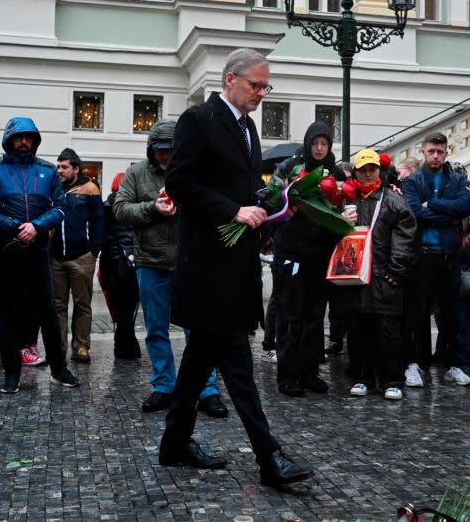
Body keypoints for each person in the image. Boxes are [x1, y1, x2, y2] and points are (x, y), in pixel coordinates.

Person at [159, 48, 313, 488]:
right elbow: (181, 183)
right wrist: (232, 211)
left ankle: (174, 445)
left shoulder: (247, 128)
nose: (262, 94)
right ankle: (269, 459)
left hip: (236, 264)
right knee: (239, 369)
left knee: (197, 364)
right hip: (209, 269)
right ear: (230, 79)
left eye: (266, 87)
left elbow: (245, 190)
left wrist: (274, 207)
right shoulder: (198, 120)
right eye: (256, 85)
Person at [114, 119, 227, 416]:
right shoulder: (137, 173)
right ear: (151, 150)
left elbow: (213, 207)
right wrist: (153, 207)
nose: (165, 156)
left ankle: (207, 389)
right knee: (155, 330)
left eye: (170, 150)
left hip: (189, 263)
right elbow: (120, 209)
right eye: (159, 151)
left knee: (198, 330)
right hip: (150, 263)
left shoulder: (194, 171)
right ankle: (164, 385)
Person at [0, 117, 80, 394]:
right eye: (19, 137)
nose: (24, 142)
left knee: (48, 311)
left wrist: (37, 226)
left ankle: (58, 368)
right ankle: (11, 372)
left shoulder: (46, 170)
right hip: (3, 252)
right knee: (8, 313)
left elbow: (60, 206)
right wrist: (13, 226)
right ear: (9, 139)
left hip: (37, 250)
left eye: (29, 137)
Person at [269, 121, 346, 397]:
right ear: (307, 144)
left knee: (315, 315)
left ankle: (310, 371)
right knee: (290, 314)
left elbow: (344, 202)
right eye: (315, 143)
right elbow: (271, 199)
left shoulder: (335, 172)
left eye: (324, 144)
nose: (319, 148)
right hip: (291, 251)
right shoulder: (290, 167)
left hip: (321, 254)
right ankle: (288, 375)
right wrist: (289, 201)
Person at [335, 149, 417, 400]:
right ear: (356, 172)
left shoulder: (393, 199)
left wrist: (397, 269)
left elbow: (406, 235)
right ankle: (362, 377)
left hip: (385, 277)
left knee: (388, 331)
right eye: (363, 170)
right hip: (356, 278)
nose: (368, 174)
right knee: (359, 331)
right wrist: (340, 220)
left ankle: (393, 379)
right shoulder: (347, 201)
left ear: (379, 171)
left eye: (372, 169)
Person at [401, 132, 470, 386]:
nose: (435, 156)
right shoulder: (412, 181)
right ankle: (417, 364)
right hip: (421, 254)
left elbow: (464, 207)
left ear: (446, 153)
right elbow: (414, 214)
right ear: (423, 151)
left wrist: (430, 203)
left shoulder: (456, 179)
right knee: (417, 311)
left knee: (452, 312)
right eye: (431, 151)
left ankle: (452, 364)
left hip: (448, 255)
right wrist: (446, 213)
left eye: (440, 152)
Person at [431, 161, 470, 381]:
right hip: (442, 258)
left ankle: (463, 353)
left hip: (460, 260)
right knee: (442, 309)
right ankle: (443, 350)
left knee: (463, 311)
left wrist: (460, 249)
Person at [51, 148, 104, 364]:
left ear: (76, 168)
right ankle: (59, 349)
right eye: (58, 166)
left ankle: (81, 347)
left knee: (82, 304)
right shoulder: (54, 189)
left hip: (82, 257)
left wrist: (94, 251)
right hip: (56, 257)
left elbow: (100, 221)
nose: (60, 170)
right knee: (58, 306)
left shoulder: (90, 189)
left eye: (64, 167)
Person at [99, 173, 141, 360]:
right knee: (128, 307)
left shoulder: (105, 207)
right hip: (130, 263)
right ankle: (127, 347)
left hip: (110, 263)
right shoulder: (134, 207)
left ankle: (123, 345)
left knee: (118, 307)